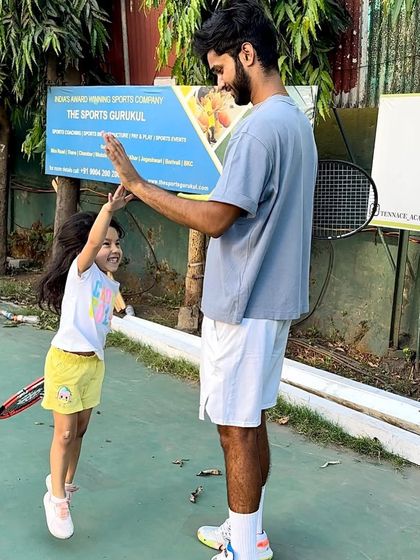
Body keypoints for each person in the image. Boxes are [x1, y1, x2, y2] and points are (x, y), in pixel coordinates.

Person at [103, 0, 317, 558]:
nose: (219, 83)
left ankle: (243, 549)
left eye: (220, 69)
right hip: (271, 305)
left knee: (235, 429)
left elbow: (217, 219)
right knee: (251, 420)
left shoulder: (259, 131)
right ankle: (249, 532)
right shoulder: (295, 122)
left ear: (247, 54)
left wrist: (138, 185)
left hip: (243, 305)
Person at [38, 185, 133, 539]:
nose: (113, 249)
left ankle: (64, 484)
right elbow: (91, 244)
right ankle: (56, 500)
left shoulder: (107, 284)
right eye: (106, 243)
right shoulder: (82, 272)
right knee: (64, 433)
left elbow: (99, 324)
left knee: (79, 432)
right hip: (65, 364)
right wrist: (109, 210)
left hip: (93, 366)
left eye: (117, 243)